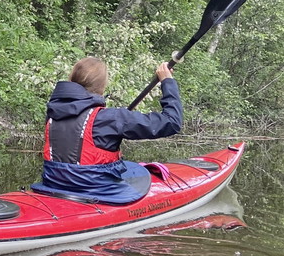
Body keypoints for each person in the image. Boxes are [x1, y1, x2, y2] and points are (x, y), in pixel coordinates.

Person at [36, 57, 183, 204]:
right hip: (95, 190)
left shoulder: (53, 113)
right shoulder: (110, 117)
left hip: (54, 185)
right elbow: (172, 122)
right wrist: (167, 82)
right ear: (102, 86)